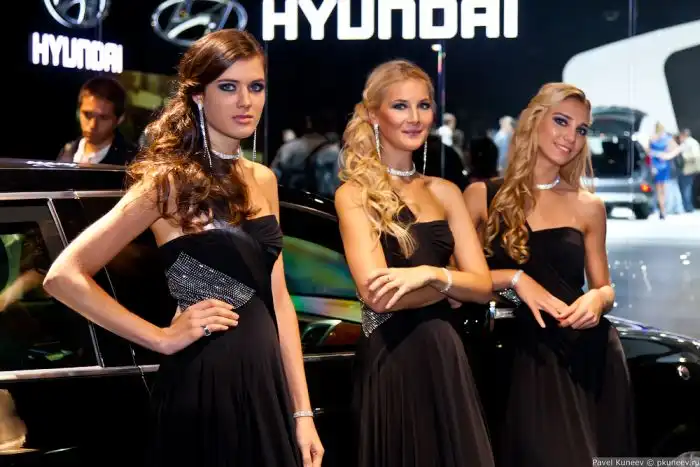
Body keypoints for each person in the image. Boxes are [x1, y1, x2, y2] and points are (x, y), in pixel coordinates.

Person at [43, 29, 323, 467]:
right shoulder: (168, 182)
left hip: (265, 383)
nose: (245, 101)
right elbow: (63, 275)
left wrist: (302, 412)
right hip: (205, 383)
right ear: (198, 96)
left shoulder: (263, 179)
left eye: (255, 86)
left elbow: (280, 301)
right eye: (227, 87)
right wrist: (160, 337)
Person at [463, 82, 636, 467]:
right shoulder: (482, 196)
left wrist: (597, 298)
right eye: (561, 121)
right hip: (516, 354)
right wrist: (513, 279)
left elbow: (604, 287)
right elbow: (456, 282)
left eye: (581, 129)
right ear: (534, 121)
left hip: (585, 354)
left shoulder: (589, 206)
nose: (571, 137)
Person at [335, 59, 495, 467]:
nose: (415, 118)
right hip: (391, 358)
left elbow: (482, 287)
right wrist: (450, 284)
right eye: (400, 106)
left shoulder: (445, 191)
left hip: (445, 354)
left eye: (423, 105)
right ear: (374, 115)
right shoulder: (354, 194)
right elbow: (379, 296)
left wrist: (430, 274)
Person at [57, 76, 137, 165]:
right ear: (78, 112)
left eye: (103, 117)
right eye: (87, 115)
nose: (93, 125)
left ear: (119, 119)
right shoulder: (67, 151)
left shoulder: (132, 161)